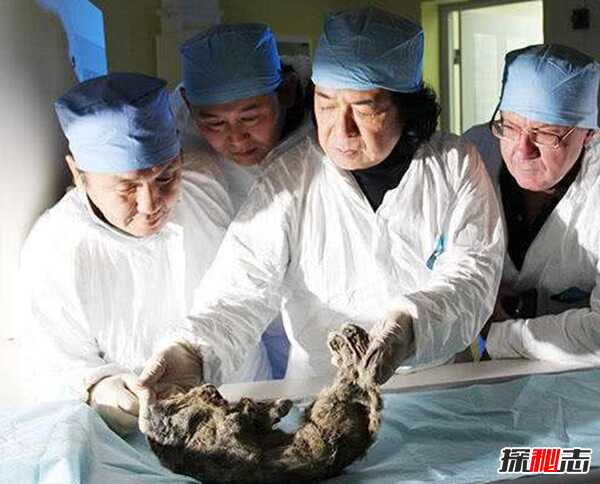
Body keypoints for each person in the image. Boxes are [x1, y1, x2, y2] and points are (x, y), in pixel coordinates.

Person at [139, 7, 504, 396]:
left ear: (406, 106)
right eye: (326, 104)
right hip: (319, 392)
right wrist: (190, 352)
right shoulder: (291, 175)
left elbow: (473, 274)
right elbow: (240, 288)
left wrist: (410, 328)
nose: (340, 130)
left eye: (364, 108)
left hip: (438, 385)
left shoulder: (454, 164)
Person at [20, 73, 232, 435]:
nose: (151, 205)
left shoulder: (206, 187)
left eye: (166, 177)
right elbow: (54, 363)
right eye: (127, 187)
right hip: (134, 429)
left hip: (237, 392)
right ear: (79, 173)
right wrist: (101, 389)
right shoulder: (55, 247)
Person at [172, 23, 312, 378]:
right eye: (214, 124)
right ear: (189, 104)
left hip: (313, 307)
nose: (236, 139)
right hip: (229, 310)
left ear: (286, 92)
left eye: (251, 117)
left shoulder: (326, 119)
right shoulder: (174, 127)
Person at [464, 44, 600, 364]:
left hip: (578, 379)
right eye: (510, 127)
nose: (522, 151)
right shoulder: (473, 153)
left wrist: (496, 333)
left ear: (589, 134)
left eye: (546, 134)